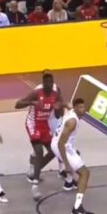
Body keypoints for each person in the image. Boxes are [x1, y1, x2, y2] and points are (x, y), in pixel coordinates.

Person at [14, 72, 63, 200]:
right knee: (39, 150)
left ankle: (36, 170)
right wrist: (33, 103)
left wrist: (58, 108)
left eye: (51, 82)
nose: (50, 85)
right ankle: (35, 186)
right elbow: (17, 104)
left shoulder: (55, 94)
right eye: (47, 82)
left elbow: (58, 115)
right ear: (43, 83)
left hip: (44, 125)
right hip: (33, 124)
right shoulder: (36, 93)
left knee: (53, 151)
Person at [52, 99, 93, 214]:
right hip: (61, 145)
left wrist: (58, 105)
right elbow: (61, 144)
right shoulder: (72, 122)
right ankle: (77, 209)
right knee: (84, 173)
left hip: (62, 143)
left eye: (83, 107)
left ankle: (69, 182)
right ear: (74, 108)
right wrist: (67, 165)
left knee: (77, 155)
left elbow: (64, 103)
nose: (83, 110)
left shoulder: (70, 108)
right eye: (80, 107)